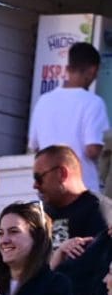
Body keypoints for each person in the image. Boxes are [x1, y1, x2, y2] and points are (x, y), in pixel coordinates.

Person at [36, 145, 110, 295]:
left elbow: (95, 272)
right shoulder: (44, 215)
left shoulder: (98, 209)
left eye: (39, 177)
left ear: (62, 173)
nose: (35, 185)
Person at [29, 41, 109, 191]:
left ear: (69, 67)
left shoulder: (44, 101)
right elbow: (92, 150)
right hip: (82, 189)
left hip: (49, 190)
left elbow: (35, 146)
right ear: (93, 70)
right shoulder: (93, 103)